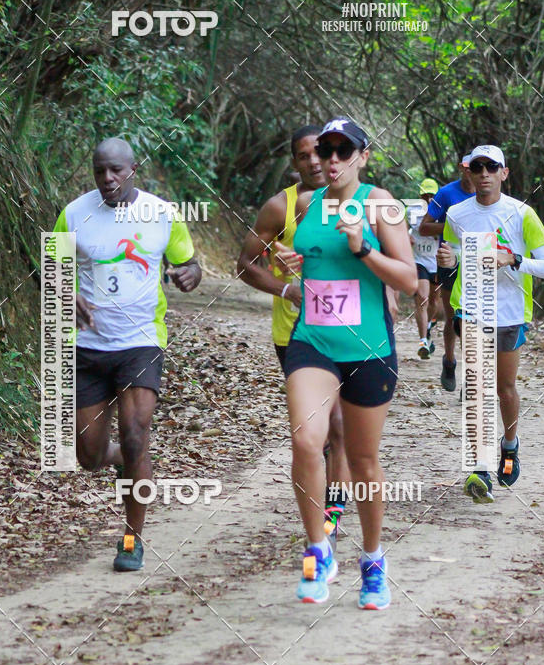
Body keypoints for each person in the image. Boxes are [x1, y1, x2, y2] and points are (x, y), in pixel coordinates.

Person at [281, 117, 417, 607]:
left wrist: (362, 248)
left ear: (363, 155)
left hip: (368, 350)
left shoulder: (381, 205)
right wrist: (292, 269)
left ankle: (374, 560)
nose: (331, 159)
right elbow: (309, 263)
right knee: (306, 440)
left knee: (362, 461)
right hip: (313, 342)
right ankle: (318, 549)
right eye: (325, 150)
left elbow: (407, 280)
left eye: (343, 151)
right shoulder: (305, 203)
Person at [52, 137, 202, 571]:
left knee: (137, 435)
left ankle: (132, 539)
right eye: (100, 171)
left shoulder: (161, 214)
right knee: (89, 456)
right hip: (88, 346)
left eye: (116, 170)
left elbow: (189, 263)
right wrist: (64, 290)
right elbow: (49, 269)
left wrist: (190, 273)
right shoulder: (74, 214)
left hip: (140, 342)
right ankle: (119, 460)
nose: (107, 179)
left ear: (134, 169)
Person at [237, 125, 351, 545]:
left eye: (321, 153)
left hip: (349, 331)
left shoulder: (358, 201)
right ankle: (321, 494)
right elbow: (246, 263)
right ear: (295, 162)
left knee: (338, 426)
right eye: (304, 156)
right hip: (295, 334)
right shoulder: (279, 207)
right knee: (314, 432)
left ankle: (332, 512)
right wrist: (288, 288)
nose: (315, 162)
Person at [437, 144, 544, 502]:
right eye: (478, 167)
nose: (485, 173)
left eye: (493, 167)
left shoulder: (522, 214)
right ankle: (480, 469)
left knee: (504, 387)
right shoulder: (457, 214)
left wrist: (514, 259)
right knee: (476, 388)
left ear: (504, 173)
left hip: (509, 313)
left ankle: (509, 444)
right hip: (472, 309)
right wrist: (447, 259)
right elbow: (452, 257)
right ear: (469, 173)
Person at [419, 154, 474, 390]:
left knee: (473, 321)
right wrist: (452, 226)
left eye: (484, 167)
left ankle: (470, 380)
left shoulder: (491, 195)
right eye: (470, 167)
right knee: (453, 318)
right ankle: (449, 361)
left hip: (477, 259)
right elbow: (424, 227)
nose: (477, 172)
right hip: (448, 258)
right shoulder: (446, 194)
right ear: (462, 168)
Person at [409, 179, 441, 358]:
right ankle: (423, 341)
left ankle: (428, 327)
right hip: (419, 261)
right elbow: (411, 229)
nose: (428, 199)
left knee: (434, 301)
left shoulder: (443, 211)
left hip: (436, 261)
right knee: (422, 297)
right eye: (425, 195)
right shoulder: (412, 211)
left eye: (432, 196)